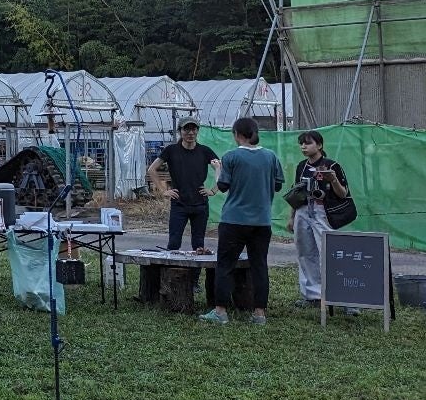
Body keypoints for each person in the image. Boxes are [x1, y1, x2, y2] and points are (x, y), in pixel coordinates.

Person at [204, 117, 283, 325]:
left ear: (237, 134)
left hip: (234, 220)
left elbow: (222, 186)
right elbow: (277, 186)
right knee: (259, 265)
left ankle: (220, 311)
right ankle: (259, 314)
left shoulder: (231, 156)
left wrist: (218, 169)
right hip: (262, 221)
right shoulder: (270, 156)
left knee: (225, 265)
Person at [287, 129, 350, 305]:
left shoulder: (332, 165)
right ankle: (312, 295)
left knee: (328, 252)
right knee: (305, 252)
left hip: (323, 212)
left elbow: (343, 194)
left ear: (320, 145)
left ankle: (339, 294)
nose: (303, 146)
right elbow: (296, 192)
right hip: (303, 210)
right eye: (301, 143)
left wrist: (333, 180)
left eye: (308, 143)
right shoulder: (302, 166)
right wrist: (292, 217)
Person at [147, 121, 220, 253]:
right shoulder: (171, 150)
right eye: (186, 129)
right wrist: (164, 191)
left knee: (198, 245)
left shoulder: (205, 151)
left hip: (200, 205)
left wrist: (213, 190)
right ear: (180, 131)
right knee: (174, 243)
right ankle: (170, 272)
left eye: (194, 129)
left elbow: (221, 168)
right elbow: (152, 169)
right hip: (179, 203)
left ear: (197, 131)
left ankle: (195, 273)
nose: (190, 133)